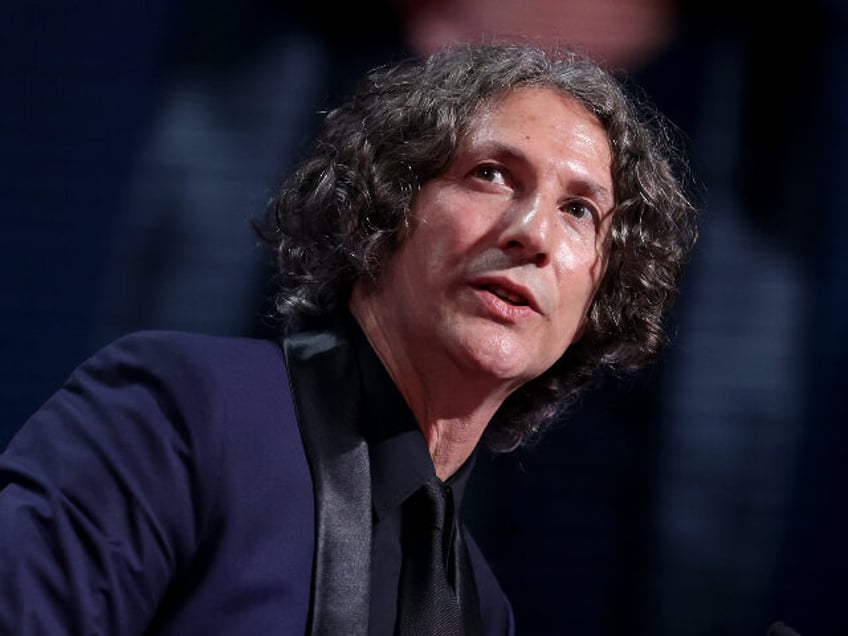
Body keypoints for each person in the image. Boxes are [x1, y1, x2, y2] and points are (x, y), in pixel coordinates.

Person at [0, 41, 697, 635]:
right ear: (384, 206)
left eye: (580, 210)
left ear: (598, 296)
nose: (534, 234)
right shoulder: (178, 411)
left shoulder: (483, 612)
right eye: (490, 174)